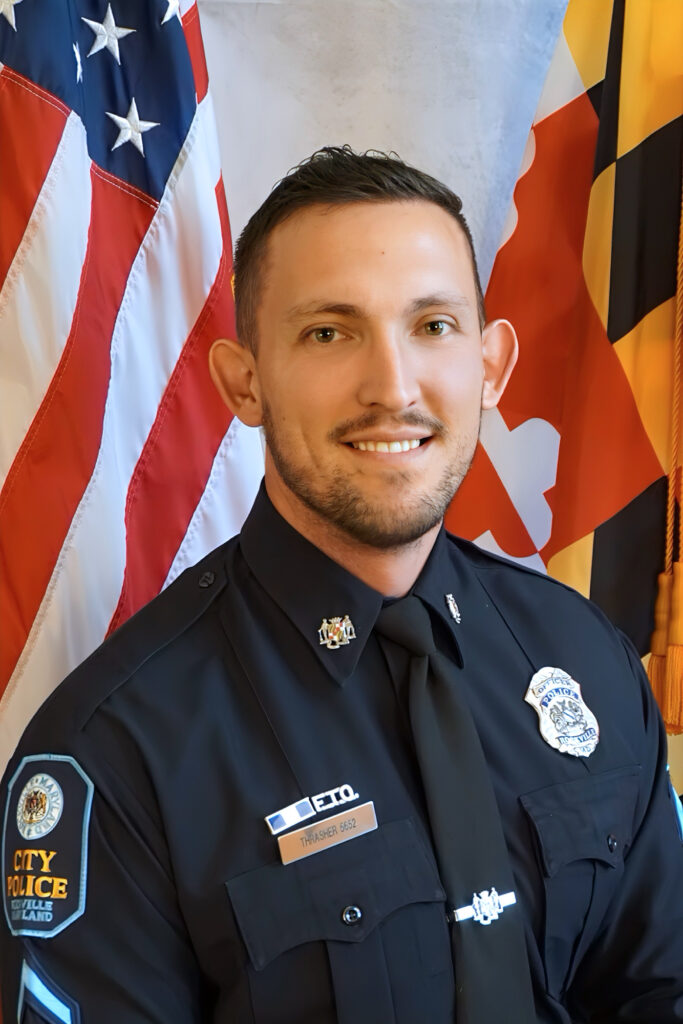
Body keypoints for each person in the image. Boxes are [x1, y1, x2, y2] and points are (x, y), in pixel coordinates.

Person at [2, 145, 682, 1024]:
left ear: (490, 365)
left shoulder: (582, 657)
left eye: (432, 326)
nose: (391, 388)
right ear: (243, 382)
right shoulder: (119, 750)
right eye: (329, 332)